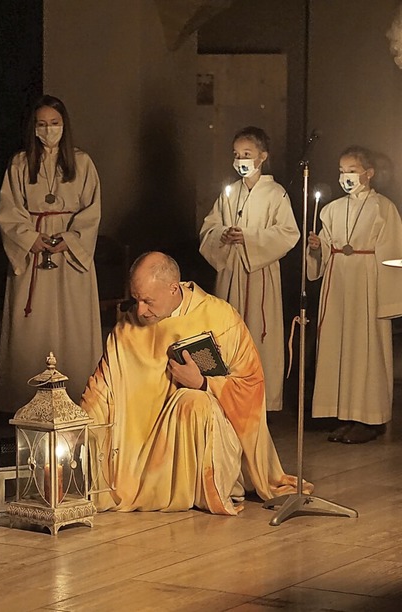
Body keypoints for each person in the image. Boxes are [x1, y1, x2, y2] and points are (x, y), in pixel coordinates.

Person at [81, 252, 310, 514]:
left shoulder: (220, 317)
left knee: (196, 402)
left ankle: (207, 488)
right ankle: (150, 485)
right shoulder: (127, 328)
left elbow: (250, 385)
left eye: (147, 301)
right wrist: (75, 426)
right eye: (136, 299)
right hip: (137, 453)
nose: (140, 310)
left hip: (206, 431)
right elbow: (101, 389)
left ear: (173, 288)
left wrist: (204, 384)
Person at [0, 94, 102, 411]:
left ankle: (81, 397)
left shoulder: (82, 163)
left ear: (64, 126)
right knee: (33, 326)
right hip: (33, 255)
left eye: (54, 123)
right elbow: (9, 211)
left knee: (74, 327)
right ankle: (24, 398)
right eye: (42, 124)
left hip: (70, 256)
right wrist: (30, 238)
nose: (48, 129)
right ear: (33, 127)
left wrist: (71, 238)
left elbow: (92, 210)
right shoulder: (19, 163)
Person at [199, 127, 299, 412]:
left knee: (258, 337)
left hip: (260, 274)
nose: (240, 159)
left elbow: (288, 233)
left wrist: (251, 239)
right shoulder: (230, 193)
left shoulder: (276, 193)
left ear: (263, 157)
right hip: (231, 272)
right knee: (227, 336)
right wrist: (224, 235)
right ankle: (226, 398)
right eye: (236, 154)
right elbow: (209, 227)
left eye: (247, 154)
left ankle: (258, 404)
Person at [307, 146, 402, 444]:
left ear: (368, 173)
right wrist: (316, 247)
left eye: (351, 170)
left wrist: (387, 297)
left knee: (366, 349)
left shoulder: (382, 207)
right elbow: (325, 246)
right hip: (339, 285)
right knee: (341, 348)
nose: (345, 177)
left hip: (366, 284)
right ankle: (345, 415)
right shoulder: (332, 209)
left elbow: (392, 250)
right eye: (341, 171)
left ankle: (370, 419)